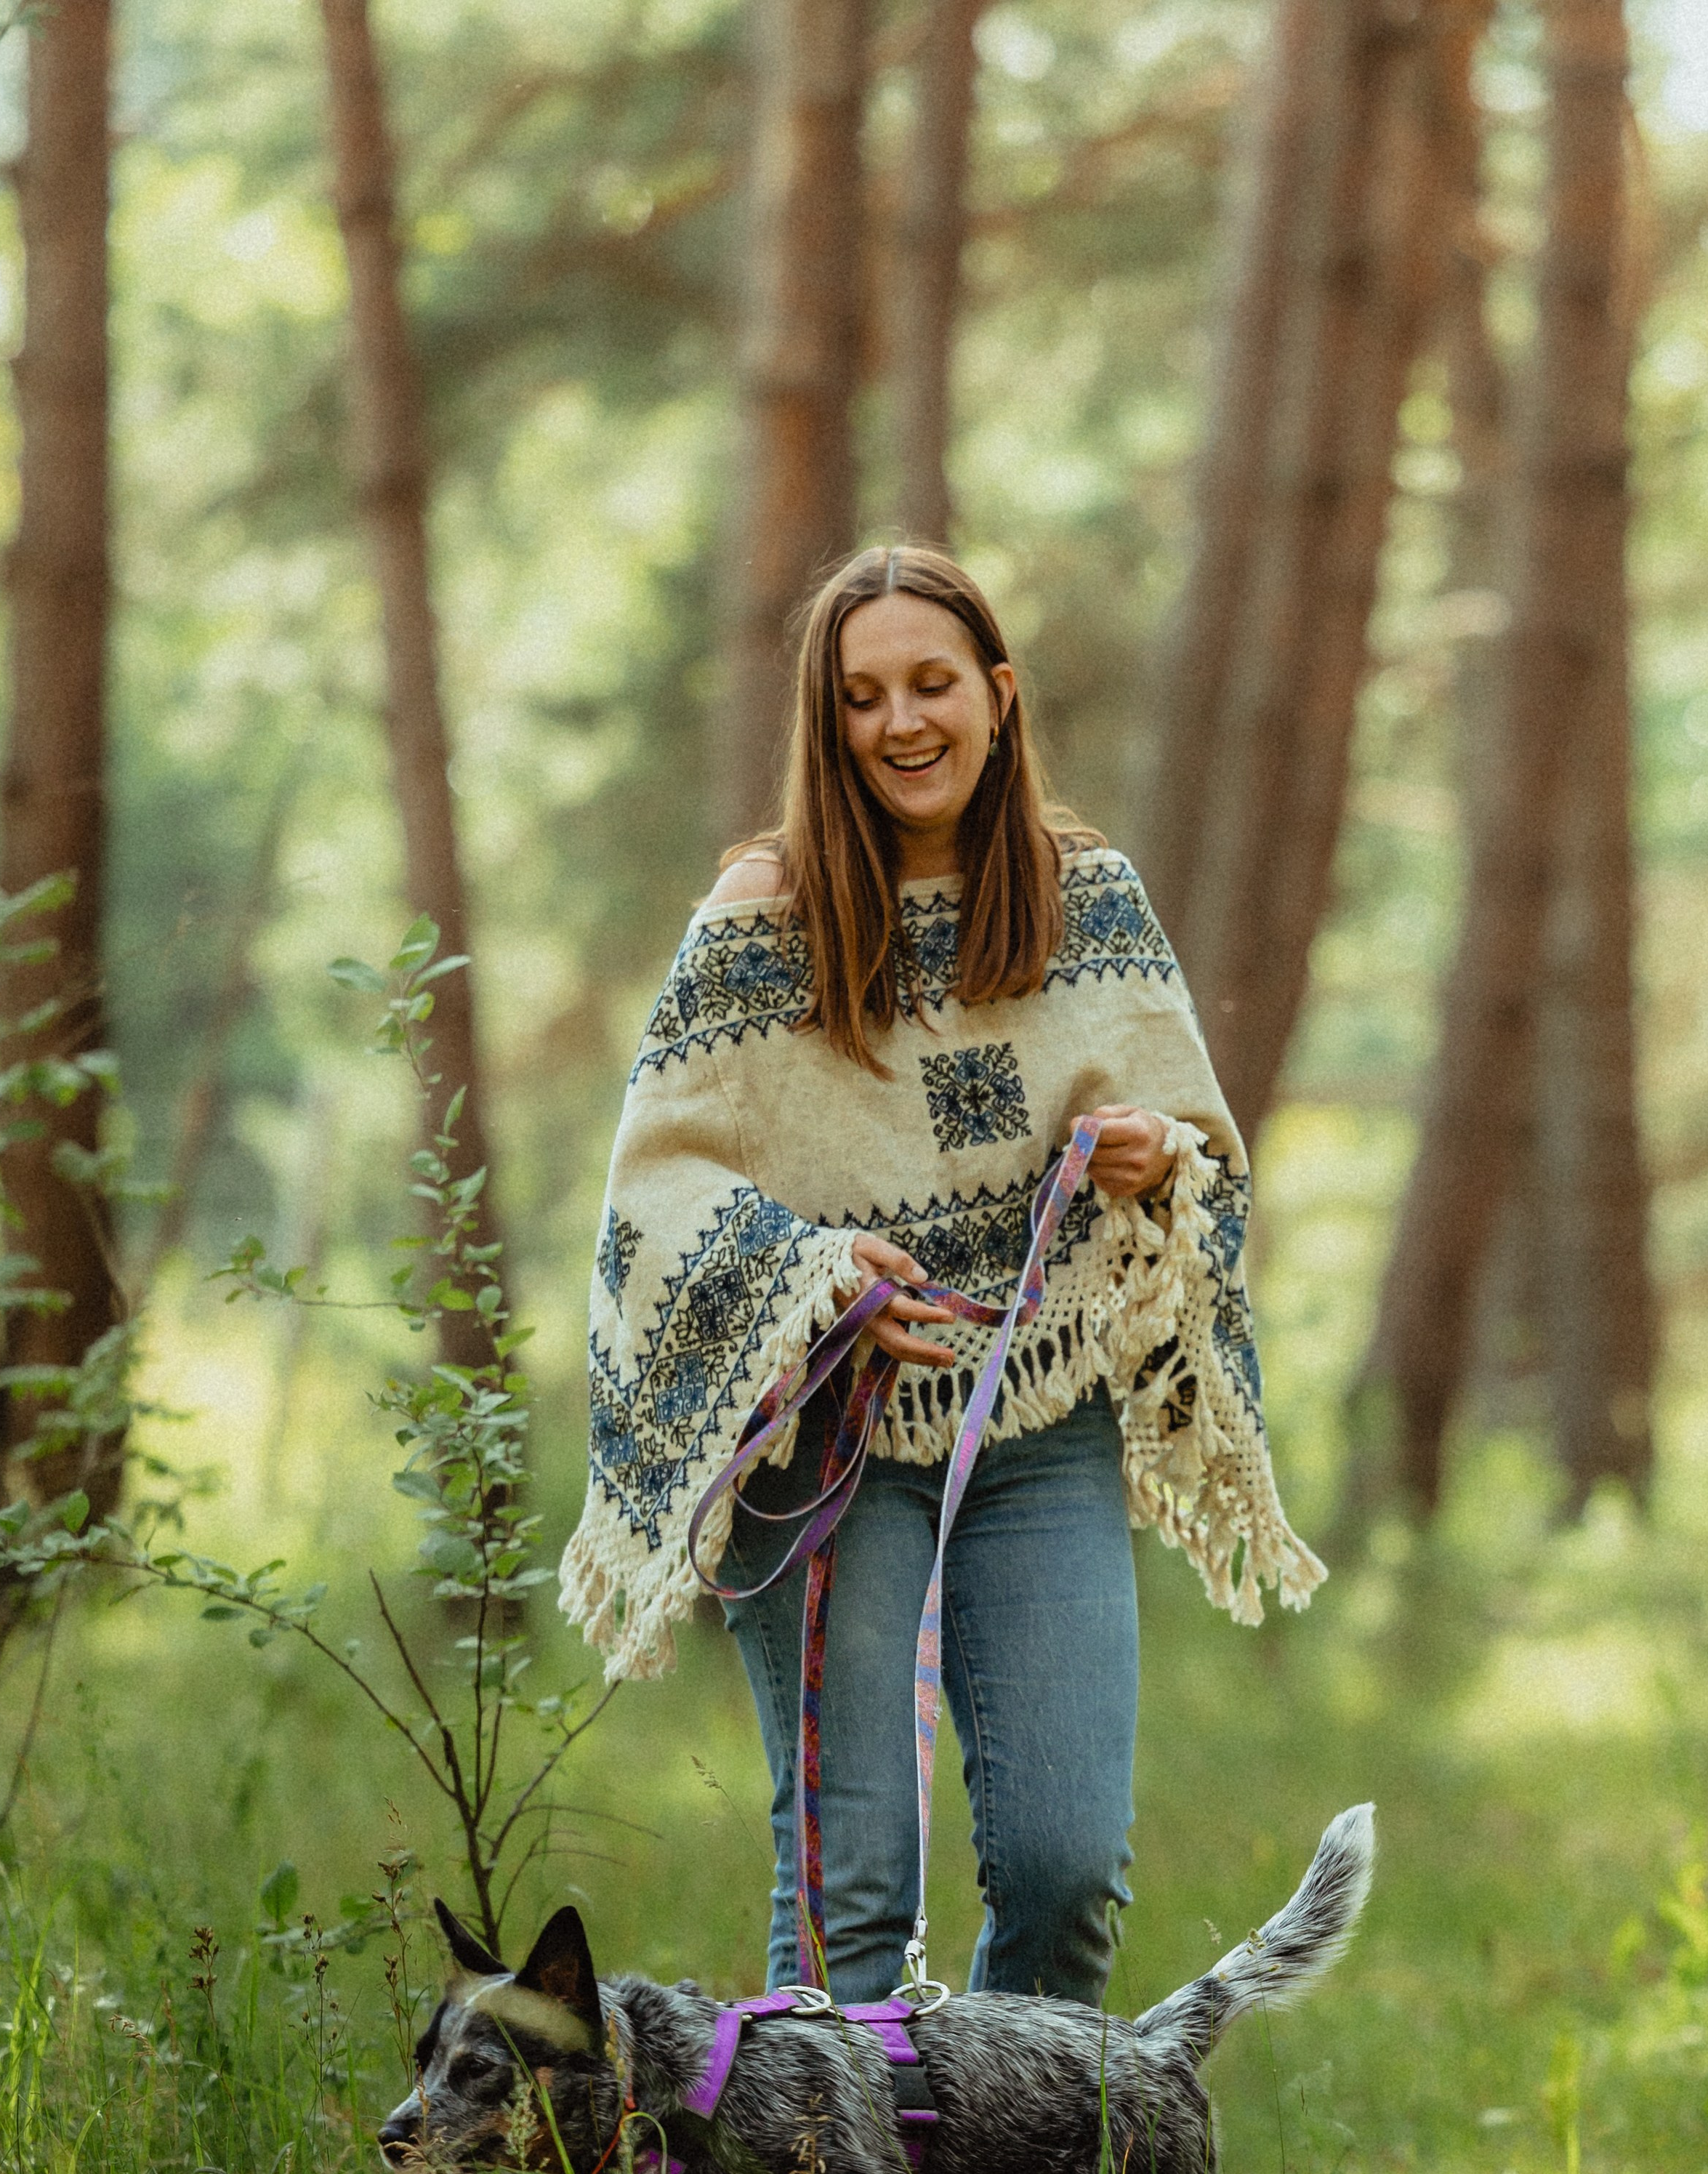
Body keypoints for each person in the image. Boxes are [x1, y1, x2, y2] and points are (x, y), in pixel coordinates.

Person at [560, 544, 1323, 2009]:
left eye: (929, 683)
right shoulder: (760, 915)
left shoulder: (1084, 893)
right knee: (849, 1886)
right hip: (826, 1440)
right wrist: (809, 1262)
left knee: (1062, 1865)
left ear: (996, 695)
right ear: (823, 721)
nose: (899, 722)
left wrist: (1149, 1154)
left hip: (1041, 1428)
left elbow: (1204, 1157)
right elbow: (654, 1184)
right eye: (859, 697)